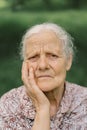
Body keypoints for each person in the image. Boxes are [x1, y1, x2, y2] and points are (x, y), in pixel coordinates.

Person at [0, 23, 87, 130]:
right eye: (33, 57)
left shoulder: (84, 100)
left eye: (53, 56)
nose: (43, 65)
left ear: (68, 61)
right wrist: (42, 108)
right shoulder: (8, 105)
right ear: (24, 64)